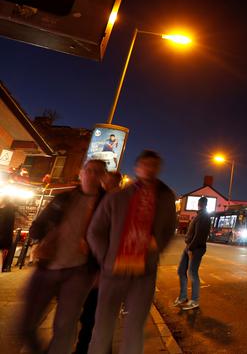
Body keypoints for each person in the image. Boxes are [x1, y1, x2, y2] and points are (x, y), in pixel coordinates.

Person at [87, 150, 176, 354]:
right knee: (103, 325)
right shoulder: (117, 197)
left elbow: (169, 230)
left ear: (159, 169)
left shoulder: (166, 198)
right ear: (137, 168)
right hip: (114, 271)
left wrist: (158, 245)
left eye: (154, 165)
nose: (149, 169)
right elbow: (95, 231)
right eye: (145, 164)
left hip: (144, 273)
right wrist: (106, 258)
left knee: (134, 328)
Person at [17, 159, 106, 354]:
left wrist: (100, 268)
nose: (92, 175)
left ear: (103, 177)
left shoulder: (107, 205)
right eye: (88, 170)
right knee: (25, 325)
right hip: (47, 267)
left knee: (65, 327)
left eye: (97, 172)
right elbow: (36, 227)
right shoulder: (63, 198)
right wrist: (40, 238)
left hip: (80, 272)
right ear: (81, 173)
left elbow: (112, 239)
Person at [74, 170, 123, 354]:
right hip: (95, 265)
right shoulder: (103, 199)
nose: (102, 183)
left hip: (106, 268)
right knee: (91, 314)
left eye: (105, 179)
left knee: (96, 314)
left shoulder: (116, 201)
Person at [174, 196, 211, 310]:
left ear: (201, 204)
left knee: (192, 273)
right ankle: (183, 297)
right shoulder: (199, 215)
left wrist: (190, 249)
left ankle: (195, 300)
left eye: (200, 203)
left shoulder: (204, 217)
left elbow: (199, 236)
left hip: (196, 248)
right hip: (189, 247)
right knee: (181, 271)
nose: (199, 204)